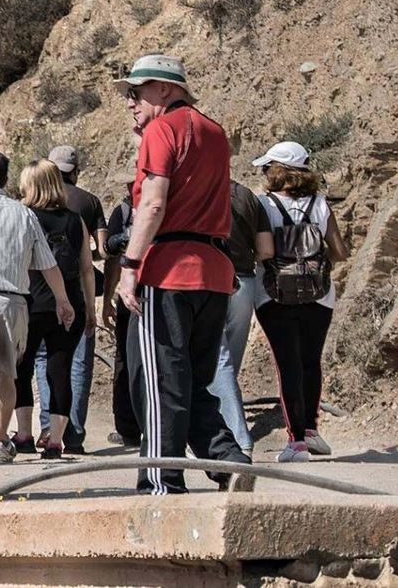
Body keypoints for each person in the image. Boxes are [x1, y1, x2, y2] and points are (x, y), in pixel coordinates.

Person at [112, 54, 250, 494]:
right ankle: (228, 461)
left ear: (165, 89)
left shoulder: (162, 130)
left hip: (169, 269)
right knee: (190, 381)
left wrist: (129, 266)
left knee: (157, 384)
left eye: (136, 92)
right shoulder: (215, 132)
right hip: (213, 270)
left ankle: (161, 481)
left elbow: (153, 204)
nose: (130, 102)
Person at [0, 151, 71, 465]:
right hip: (14, 300)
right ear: (7, 180)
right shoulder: (24, 214)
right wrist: (63, 300)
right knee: (7, 371)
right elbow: (47, 264)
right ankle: (2, 438)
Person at [252, 141, 348, 463]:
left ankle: (295, 444)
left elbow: (263, 251)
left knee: (288, 364)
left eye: (267, 168)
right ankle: (310, 430)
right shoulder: (320, 205)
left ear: (278, 170)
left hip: (273, 295)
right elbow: (340, 252)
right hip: (318, 295)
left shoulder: (263, 205)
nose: (265, 173)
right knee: (310, 360)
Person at [12, 160, 95, 460]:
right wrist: (90, 309)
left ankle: (24, 434)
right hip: (68, 303)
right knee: (60, 370)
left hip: (30, 302)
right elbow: (87, 268)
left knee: (22, 369)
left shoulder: (23, 217)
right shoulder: (75, 220)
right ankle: (55, 441)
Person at [34, 146, 105, 453]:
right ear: (75, 171)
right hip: (74, 292)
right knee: (77, 364)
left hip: (39, 295)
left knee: (43, 360)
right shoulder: (88, 202)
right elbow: (100, 251)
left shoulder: (30, 209)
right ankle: (73, 434)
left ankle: (48, 427)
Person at [208, 179, 276, 457]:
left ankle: (238, 437)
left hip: (211, 280)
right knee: (228, 362)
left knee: (218, 361)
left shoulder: (199, 190)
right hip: (245, 284)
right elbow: (266, 250)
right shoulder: (248, 196)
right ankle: (219, 426)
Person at [103, 196, 141, 447]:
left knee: (126, 360)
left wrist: (108, 298)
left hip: (131, 295)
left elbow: (111, 257)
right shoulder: (177, 202)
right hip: (163, 294)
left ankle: (129, 429)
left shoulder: (124, 211)